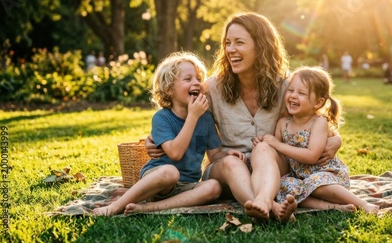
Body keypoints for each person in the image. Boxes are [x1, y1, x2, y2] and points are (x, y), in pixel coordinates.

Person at [146, 12, 342, 222]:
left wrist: (336, 140)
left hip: (272, 168)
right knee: (232, 162)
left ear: (261, 46)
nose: (231, 49)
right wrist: (151, 140)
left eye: (239, 42)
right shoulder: (211, 88)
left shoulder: (286, 86)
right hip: (228, 170)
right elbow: (177, 111)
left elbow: (315, 120)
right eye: (227, 43)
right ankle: (268, 205)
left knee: (263, 147)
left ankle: (263, 202)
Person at [93, 52, 244, 216]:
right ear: (169, 89)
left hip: (187, 185)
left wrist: (227, 153)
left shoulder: (205, 118)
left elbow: (214, 154)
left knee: (213, 187)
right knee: (170, 173)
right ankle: (116, 206)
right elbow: (175, 153)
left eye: (198, 79)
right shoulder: (162, 118)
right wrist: (193, 116)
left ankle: (148, 208)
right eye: (188, 79)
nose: (196, 83)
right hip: (160, 180)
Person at [254, 66, 379, 214]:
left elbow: (312, 156)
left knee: (315, 183)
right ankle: (334, 207)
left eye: (301, 93)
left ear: (318, 103)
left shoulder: (319, 122)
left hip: (325, 175)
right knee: (284, 187)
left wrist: (277, 144)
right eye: (290, 90)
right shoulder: (283, 123)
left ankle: (363, 204)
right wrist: (264, 144)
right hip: (300, 178)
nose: (293, 96)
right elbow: (279, 155)